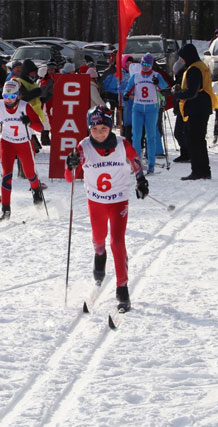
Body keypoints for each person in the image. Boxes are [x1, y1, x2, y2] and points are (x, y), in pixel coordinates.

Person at [64, 105, 149, 313]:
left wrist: (141, 180)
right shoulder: (83, 147)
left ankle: (122, 289)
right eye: (94, 129)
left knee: (117, 241)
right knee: (99, 239)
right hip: (96, 201)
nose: (99, 133)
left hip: (118, 200)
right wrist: (70, 164)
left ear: (110, 127)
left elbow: (135, 160)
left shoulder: (121, 144)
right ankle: (99, 257)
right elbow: (69, 178)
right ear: (89, 130)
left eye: (103, 128)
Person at [0, 80, 45, 221]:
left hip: (24, 143)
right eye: (6, 96)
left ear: (18, 96)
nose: (8, 100)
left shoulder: (25, 107)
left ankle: (37, 191)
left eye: (12, 97)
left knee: (29, 173)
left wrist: (29, 122)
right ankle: (6, 210)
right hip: (7, 144)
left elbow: (40, 128)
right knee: (6, 175)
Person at [173, 44, 218, 180]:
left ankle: (198, 171)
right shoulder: (200, 65)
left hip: (197, 108)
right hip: (202, 106)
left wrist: (177, 94)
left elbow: (192, 92)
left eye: (182, 58)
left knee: (194, 140)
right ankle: (204, 170)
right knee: (199, 140)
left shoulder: (194, 69)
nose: (181, 60)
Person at [122, 53, 168, 175]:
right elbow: (127, 90)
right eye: (143, 64)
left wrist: (158, 82)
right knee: (136, 137)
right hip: (137, 109)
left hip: (151, 109)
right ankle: (136, 164)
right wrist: (126, 95)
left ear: (151, 65)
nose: (145, 67)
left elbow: (165, 87)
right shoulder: (136, 76)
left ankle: (151, 165)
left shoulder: (156, 75)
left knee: (150, 137)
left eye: (148, 65)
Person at [13, 59, 46, 150]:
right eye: (32, 73)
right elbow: (23, 97)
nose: (34, 75)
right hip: (24, 114)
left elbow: (36, 98)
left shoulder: (33, 83)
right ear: (26, 73)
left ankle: (32, 145)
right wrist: (38, 92)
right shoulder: (18, 82)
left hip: (35, 114)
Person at [171, 59, 191, 163]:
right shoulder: (179, 78)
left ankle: (188, 153)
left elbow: (179, 95)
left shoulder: (182, 79)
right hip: (181, 109)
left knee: (180, 132)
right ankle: (185, 153)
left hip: (184, 109)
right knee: (181, 132)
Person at [119, 55, 134, 143]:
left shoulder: (135, 72)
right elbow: (120, 87)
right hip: (126, 101)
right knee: (126, 122)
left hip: (135, 101)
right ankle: (127, 140)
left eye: (130, 63)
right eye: (127, 63)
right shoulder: (121, 73)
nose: (129, 65)